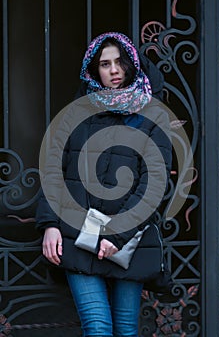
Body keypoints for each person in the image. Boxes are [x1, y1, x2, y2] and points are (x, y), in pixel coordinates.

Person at [35, 32, 172, 337]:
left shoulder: (151, 116)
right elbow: (54, 169)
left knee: (125, 329)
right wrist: (49, 224)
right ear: (93, 70)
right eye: (104, 64)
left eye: (119, 62)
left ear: (131, 64)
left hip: (128, 241)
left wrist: (118, 234)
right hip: (76, 235)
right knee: (97, 328)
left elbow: (154, 185)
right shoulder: (76, 114)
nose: (113, 70)